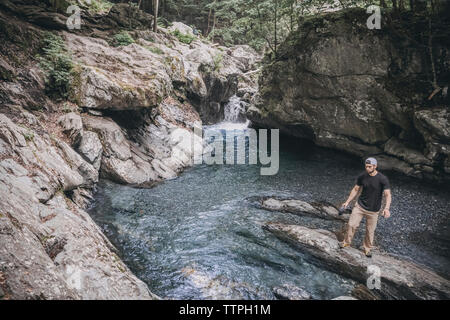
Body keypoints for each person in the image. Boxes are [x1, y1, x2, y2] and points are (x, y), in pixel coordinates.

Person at [339, 157, 392, 257]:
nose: (367, 168)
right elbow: (355, 189)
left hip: (373, 210)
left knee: (370, 231)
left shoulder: (382, 179)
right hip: (360, 206)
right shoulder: (362, 176)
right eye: (366, 166)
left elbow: (387, 194)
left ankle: (367, 249)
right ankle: (346, 242)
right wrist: (347, 202)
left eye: (369, 167)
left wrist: (386, 208)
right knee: (351, 225)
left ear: (375, 166)